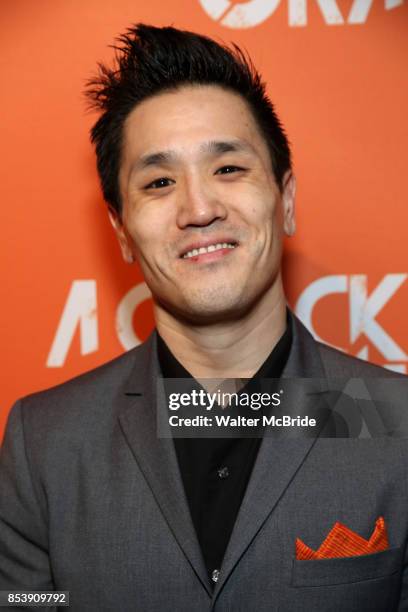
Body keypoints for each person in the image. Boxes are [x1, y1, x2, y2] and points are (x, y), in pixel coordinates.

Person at [0, 23, 407, 612]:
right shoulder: (47, 444)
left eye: (229, 169)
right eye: (160, 182)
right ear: (122, 234)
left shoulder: (394, 425)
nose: (198, 209)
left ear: (285, 200)